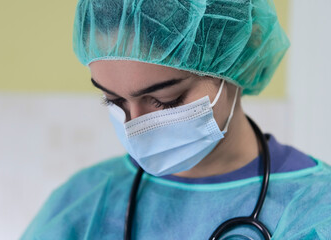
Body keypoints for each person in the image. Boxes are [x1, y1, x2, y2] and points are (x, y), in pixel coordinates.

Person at [21, 0, 331, 239]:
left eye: (166, 100)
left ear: (239, 55)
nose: (135, 127)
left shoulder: (314, 210)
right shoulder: (80, 203)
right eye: (113, 101)